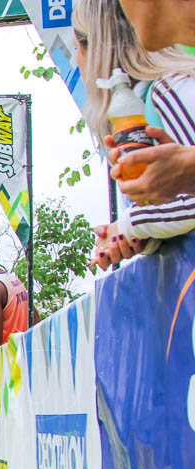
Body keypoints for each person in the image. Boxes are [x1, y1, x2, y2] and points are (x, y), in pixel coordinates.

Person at [72, 0, 195, 268]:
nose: (75, 61)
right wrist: (140, 234)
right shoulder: (144, 104)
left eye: (75, 48)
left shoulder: (170, 91)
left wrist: (131, 225)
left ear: (94, 48)